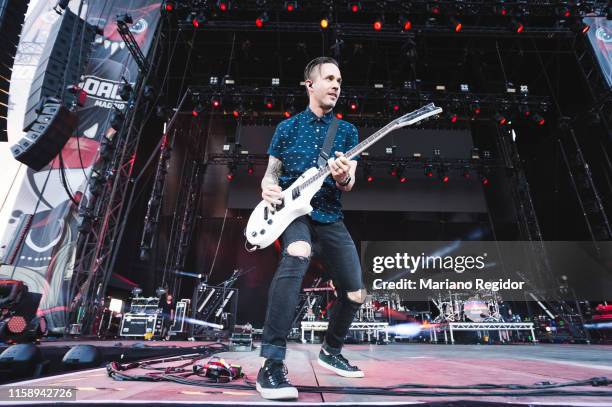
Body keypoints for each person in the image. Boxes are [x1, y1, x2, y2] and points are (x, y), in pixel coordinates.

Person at [256, 57, 366, 400]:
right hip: (294, 215)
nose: (336, 85)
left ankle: (331, 350)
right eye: (330, 78)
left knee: (354, 293)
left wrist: (342, 175)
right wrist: (267, 186)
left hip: (330, 215)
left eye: (339, 80)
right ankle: (271, 364)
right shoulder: (287, 128)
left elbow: (349, 183)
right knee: (297, 253)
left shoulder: (347, 132)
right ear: (310, 84)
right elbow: (271, 173)